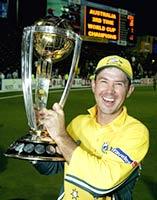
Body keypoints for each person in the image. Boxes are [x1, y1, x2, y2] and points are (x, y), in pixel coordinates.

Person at [32, 55, 149, 200]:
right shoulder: (78, 123)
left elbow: (101, 183)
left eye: (118, 84)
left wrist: (61, 137)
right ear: (93, 85)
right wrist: (39, 135)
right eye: (104, 82)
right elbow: (50, 167)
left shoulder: (136, 132)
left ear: (130, 90)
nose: (110, 91)